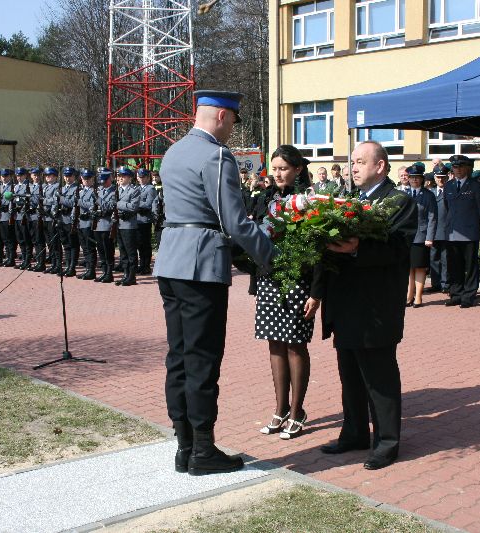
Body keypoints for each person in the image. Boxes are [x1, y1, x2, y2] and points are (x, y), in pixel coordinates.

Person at [154, 90, 275, 476]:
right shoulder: (215, 155)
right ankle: (203, 451)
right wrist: (270, 255)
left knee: (179, 357)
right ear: (222, 116)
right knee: (203, 359)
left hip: (171, 259)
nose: (231, 133)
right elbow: (235, 221)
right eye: (232, 123)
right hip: (200, 264)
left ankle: (185, 446)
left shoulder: (173, 152)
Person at [318, 140, 417, 471]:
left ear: (380, 166)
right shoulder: (348, 201)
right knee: (350, 374)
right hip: (346, 303)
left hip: (376, 306)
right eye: (352, 162)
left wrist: (357, 248)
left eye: (361, 162)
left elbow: (398, 249)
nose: (353, 167)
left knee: (379, 376)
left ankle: (387, 441)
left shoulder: (398, 201)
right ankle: (355, 432)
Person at [256, 145, 320, 441]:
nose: (278, 173)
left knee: (295, 346)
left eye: (284, 168)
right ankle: (280, 409)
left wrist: (316, 293)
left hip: (300, 282)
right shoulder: (266, 199)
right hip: (271, 281)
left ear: (297, 169)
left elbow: (321, 250)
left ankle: (297, 411)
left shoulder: (311, 200)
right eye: (275, 168)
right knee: (275, 346)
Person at [444, 154, 480, 308]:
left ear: (466, 168)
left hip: (469, 232)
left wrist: (473, 224)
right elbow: (447, 207)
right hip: (452, 232)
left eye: (460, 166)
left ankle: (468, 295)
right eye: (455, 167)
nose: (457, 170)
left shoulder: (475, 186)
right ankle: (456, 294)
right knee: (454, 265)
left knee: (470, 266)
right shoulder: (449, 186)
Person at [404, 163, 436, 307]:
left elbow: (432, 217)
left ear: (422, 179)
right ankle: (408, 296)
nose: (414, 180)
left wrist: (429, 237)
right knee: (408, 268)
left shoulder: (428, 195)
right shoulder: (404, 194)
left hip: (421, 237)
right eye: (412, 177)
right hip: (406, 237)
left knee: (419, 267)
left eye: (417, 177)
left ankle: (418, 297)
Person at [115, 166, 140, 286]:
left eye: (123, 176)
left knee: (131, 252)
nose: (120, 178)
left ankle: (132, 276)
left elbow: (133, 207)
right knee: (122, 251)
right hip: (118, 224)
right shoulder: (117, 190)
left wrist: (118, 204)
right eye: (119, 176)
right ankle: (125, 273)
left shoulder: (134, 190)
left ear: (130, 178)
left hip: (129, 224)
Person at [429, 164, 450, 293]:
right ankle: (435, 283)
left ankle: (445, 284)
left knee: (445, 259)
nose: (440, 180)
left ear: (447, 177)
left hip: (446, 230)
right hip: (432, 231)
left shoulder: (450, 191)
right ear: (434, 178)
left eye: (443, 177)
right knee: (433, 258)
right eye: (438, 177)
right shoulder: (430, 193)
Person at [94, 168, 117, 283]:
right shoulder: (100, 190)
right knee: (101, 249)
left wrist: (97, 199)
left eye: (105, 180)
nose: (103, 183)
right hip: (98, 224)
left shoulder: (114, 191)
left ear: (109, 179)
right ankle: (104, 271)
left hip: (107, 224)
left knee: (108, 249)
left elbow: (109, 206)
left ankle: (109, 272)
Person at [76, 169, 98, 281]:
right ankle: (87, 269)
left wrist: (80, 202)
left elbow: (93, 205)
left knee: (90, 248)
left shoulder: (94, 191)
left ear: (92, 179)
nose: (85, 181)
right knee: (84, 248)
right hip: (80, 223)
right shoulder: (81, 191)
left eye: (88, 179)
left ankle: (91, 270)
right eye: (84, 178)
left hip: (88, 222)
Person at [59, 167, 80, 277]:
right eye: (66, 176)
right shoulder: (61, 189)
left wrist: (61, 199)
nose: (67, 178)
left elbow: (74, 203)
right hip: (61, 219)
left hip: (70, 220)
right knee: (65, 244)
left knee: (73, 244)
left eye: (70, 176)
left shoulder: (77, 189)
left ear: (74, 177)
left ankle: (72, 266)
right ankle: (67, 265)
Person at [136, 169, 157, 275]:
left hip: (145, 220)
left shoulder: (150, 189)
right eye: (140, 177)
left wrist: (135, 204)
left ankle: (146, 266)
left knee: (145, 244)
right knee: (139, 244)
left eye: (143, 177)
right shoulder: (137, 188)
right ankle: (141, 265)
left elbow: (149, 204)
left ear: (148, 178)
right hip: (137, 220)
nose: (141, 179)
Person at [42, 167, 60, 274]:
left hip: (51, 217)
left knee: (55, 243)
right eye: (47, 175)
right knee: (49, 242)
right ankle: (53, 263)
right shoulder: (44, 187)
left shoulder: (57, 187)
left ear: (55, 177)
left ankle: (57, 264)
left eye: (50, 175)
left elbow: (55, 200)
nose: (48, 177)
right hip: (44, 217)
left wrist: (44, 201)